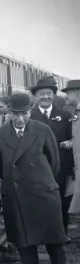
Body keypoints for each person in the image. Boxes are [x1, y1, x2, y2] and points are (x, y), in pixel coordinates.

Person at [0, 93, 70, 264]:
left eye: (24, 113)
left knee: (53, 230)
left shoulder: (42, 130)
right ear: (8, 113)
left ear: (30, 111)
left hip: (42, 188)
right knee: (21, 231)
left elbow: (54, 162)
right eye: (15, 114)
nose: (20, 119)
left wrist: (43, 181)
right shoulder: (0, 135)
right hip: (16, 192)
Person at [30, 77, 73, 238]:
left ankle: (61, 233)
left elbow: (73, 137)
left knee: (61, 200)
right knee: (37, 199)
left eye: (49, 93)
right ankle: (39, 234)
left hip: (60, 165)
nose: (46, 97)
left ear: (54, 95)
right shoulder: (29, 116)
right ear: (36, 97)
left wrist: (70, 143)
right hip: (36, 165)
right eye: (42, 94)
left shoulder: (64, 115)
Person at [61, 80, 80, 214]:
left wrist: (71, 143)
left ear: (76, 93)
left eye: (68, 93)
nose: (66, 96)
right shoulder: (76, 111)